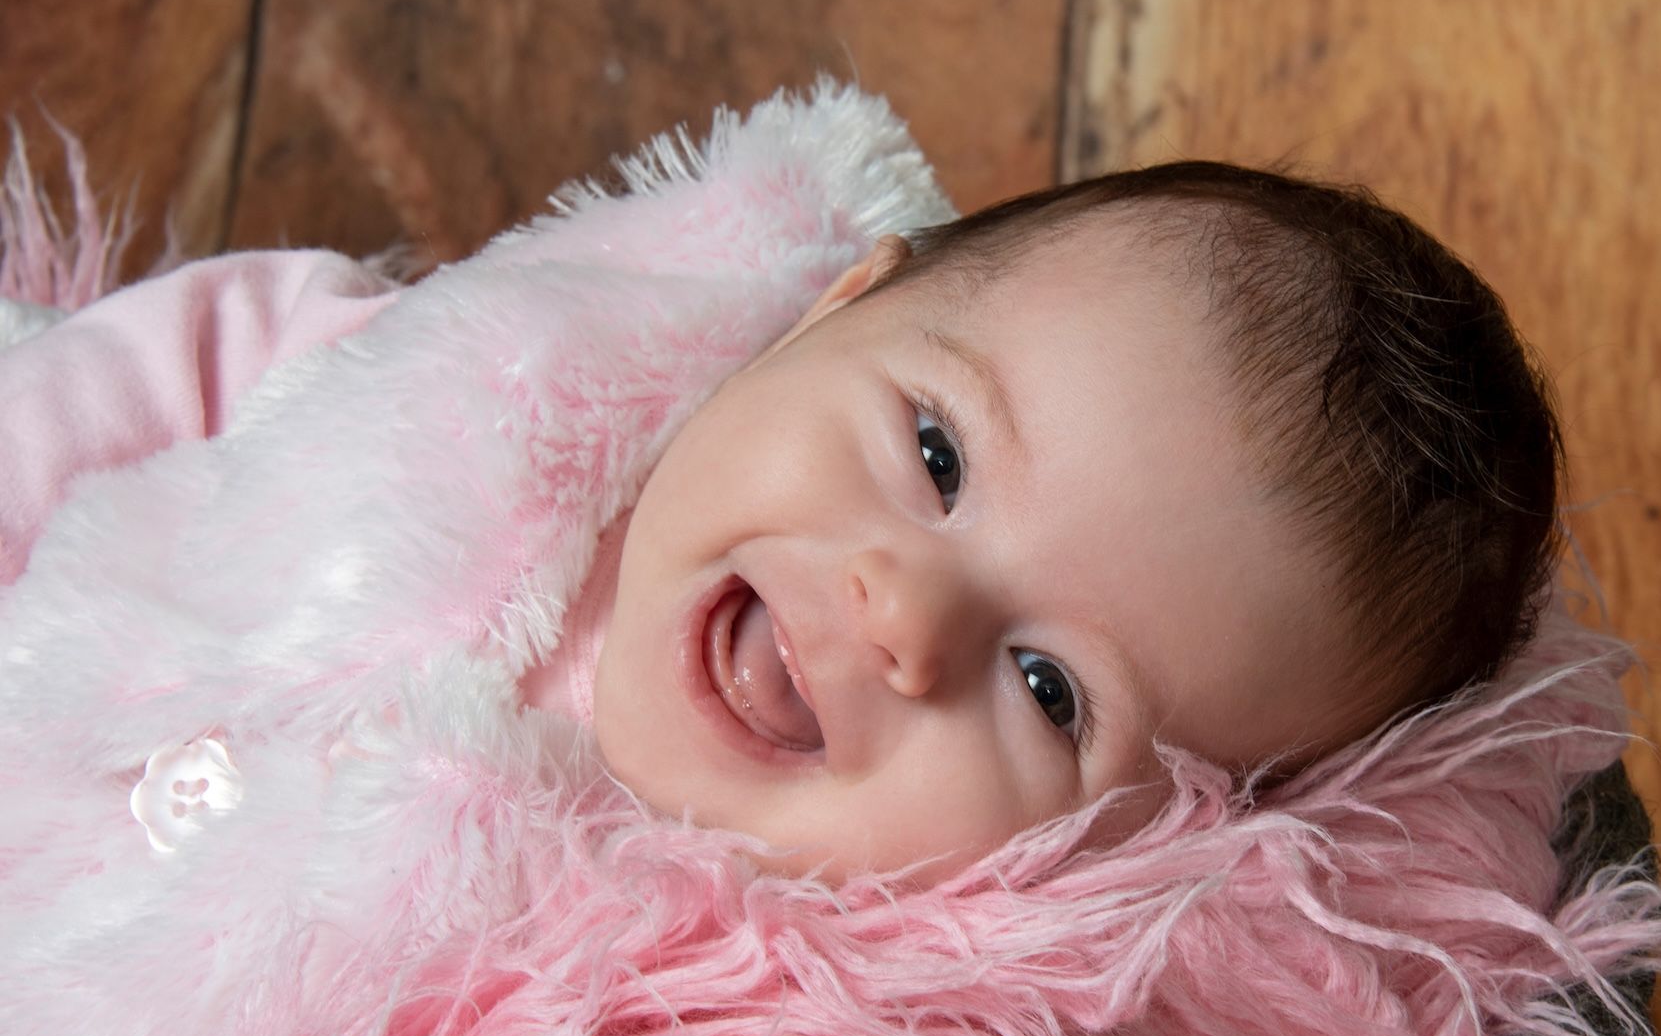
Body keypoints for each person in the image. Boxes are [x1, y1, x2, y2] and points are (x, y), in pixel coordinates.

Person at [0, 160, 1561, 888]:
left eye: (1050, 690)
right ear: (832, 309)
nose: (908, 616)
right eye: (935, 454)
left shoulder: (755, 1015)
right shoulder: (466, 402)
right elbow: (161, 372)